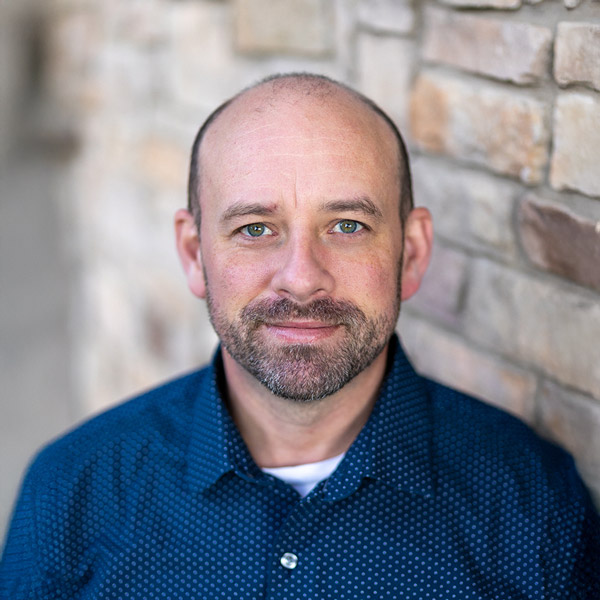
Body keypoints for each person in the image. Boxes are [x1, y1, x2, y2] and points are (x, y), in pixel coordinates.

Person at [1, 73, 598, 599]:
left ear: (411, 254)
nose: (302, 278)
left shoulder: (532, 504)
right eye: (256, 228)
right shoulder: (72, 493)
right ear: (192, 253)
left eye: (346, 225)